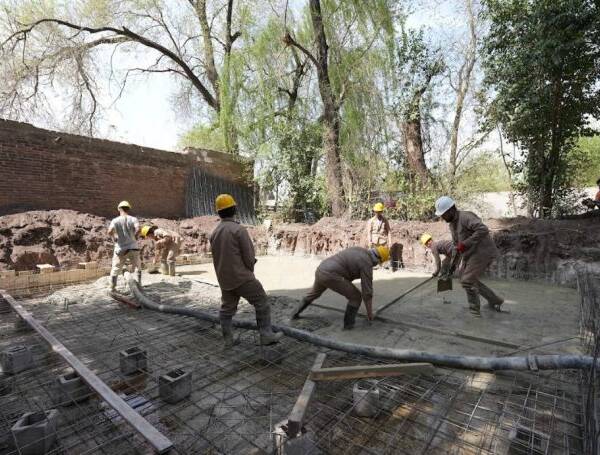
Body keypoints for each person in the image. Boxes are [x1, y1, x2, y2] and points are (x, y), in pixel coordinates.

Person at [210, 194, 283, 348]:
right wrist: (250, 271)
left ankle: (228, 340)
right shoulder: (238, 230)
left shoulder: (214, 233)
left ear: (219, 212)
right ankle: (266, 335)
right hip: (242, 277)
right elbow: (249, 257)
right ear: (234, 209)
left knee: (227, 309)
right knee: (262, 302)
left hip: (225, 279)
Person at [435, 196, 504, 317]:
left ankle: (474, 313)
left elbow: (483, 229)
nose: (442, 217)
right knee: (464, 278)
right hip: (471, 253)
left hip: (482, 252)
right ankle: (495, 300)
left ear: (451, 209)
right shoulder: (452, 225)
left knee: (467, 281)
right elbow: (457, 247)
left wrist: (465, 244)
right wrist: (452, 267)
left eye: (443, 214)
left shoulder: (466, 217)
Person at [291, 245, 390, 328]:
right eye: (378, 263)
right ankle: (348, 326)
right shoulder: (367, 263)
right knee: (356, 297)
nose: (376, 265)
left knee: (313, 294)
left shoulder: (360, 250)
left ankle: (294, 313)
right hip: (332, 275)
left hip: (321, 269)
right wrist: (370, 313)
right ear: (378, 259)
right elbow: (367, 291)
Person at [108, 201, 141, 292]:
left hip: (120, 248)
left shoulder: (115, 220)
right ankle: (139, 286)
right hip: (133, 247)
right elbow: (138, 229)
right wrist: (135, 237)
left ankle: (112, 287)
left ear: (119, 209)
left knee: (115, 268)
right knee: (137, 266)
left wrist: (114, 237)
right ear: (129, 209)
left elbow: (109, 231)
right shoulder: (133, 219)